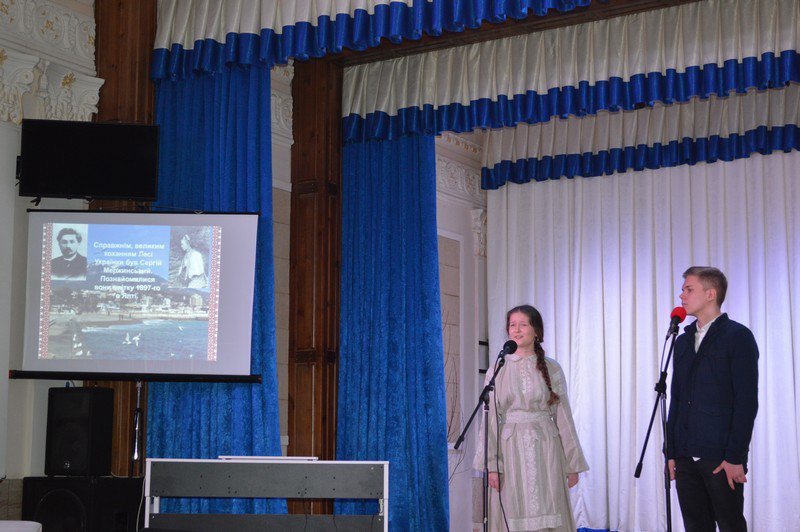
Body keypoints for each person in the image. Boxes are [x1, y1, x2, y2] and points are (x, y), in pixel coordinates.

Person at [474, 305, 589, 531]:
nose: (516, 330)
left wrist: (572, 465)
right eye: (512, 325)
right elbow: (490, 420)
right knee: (513, 507)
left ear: (536, 330)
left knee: (549, 506)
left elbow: (564, 418)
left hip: (546, 448)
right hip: (510, 451)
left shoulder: (552, 369)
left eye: (523, 324)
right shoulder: (498, 368)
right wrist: (492, 465)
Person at [666, 266, 759, 532]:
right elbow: (676, 399)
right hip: (685, 455)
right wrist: (671, 452)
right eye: (682, 290)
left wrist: (735, 457)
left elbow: (746, 403)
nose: (682, 295)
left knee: (731, 525)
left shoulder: (737, 337)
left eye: (689, 289)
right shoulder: (682, 342)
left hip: (721, 458)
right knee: (695, 526)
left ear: (710, 294)